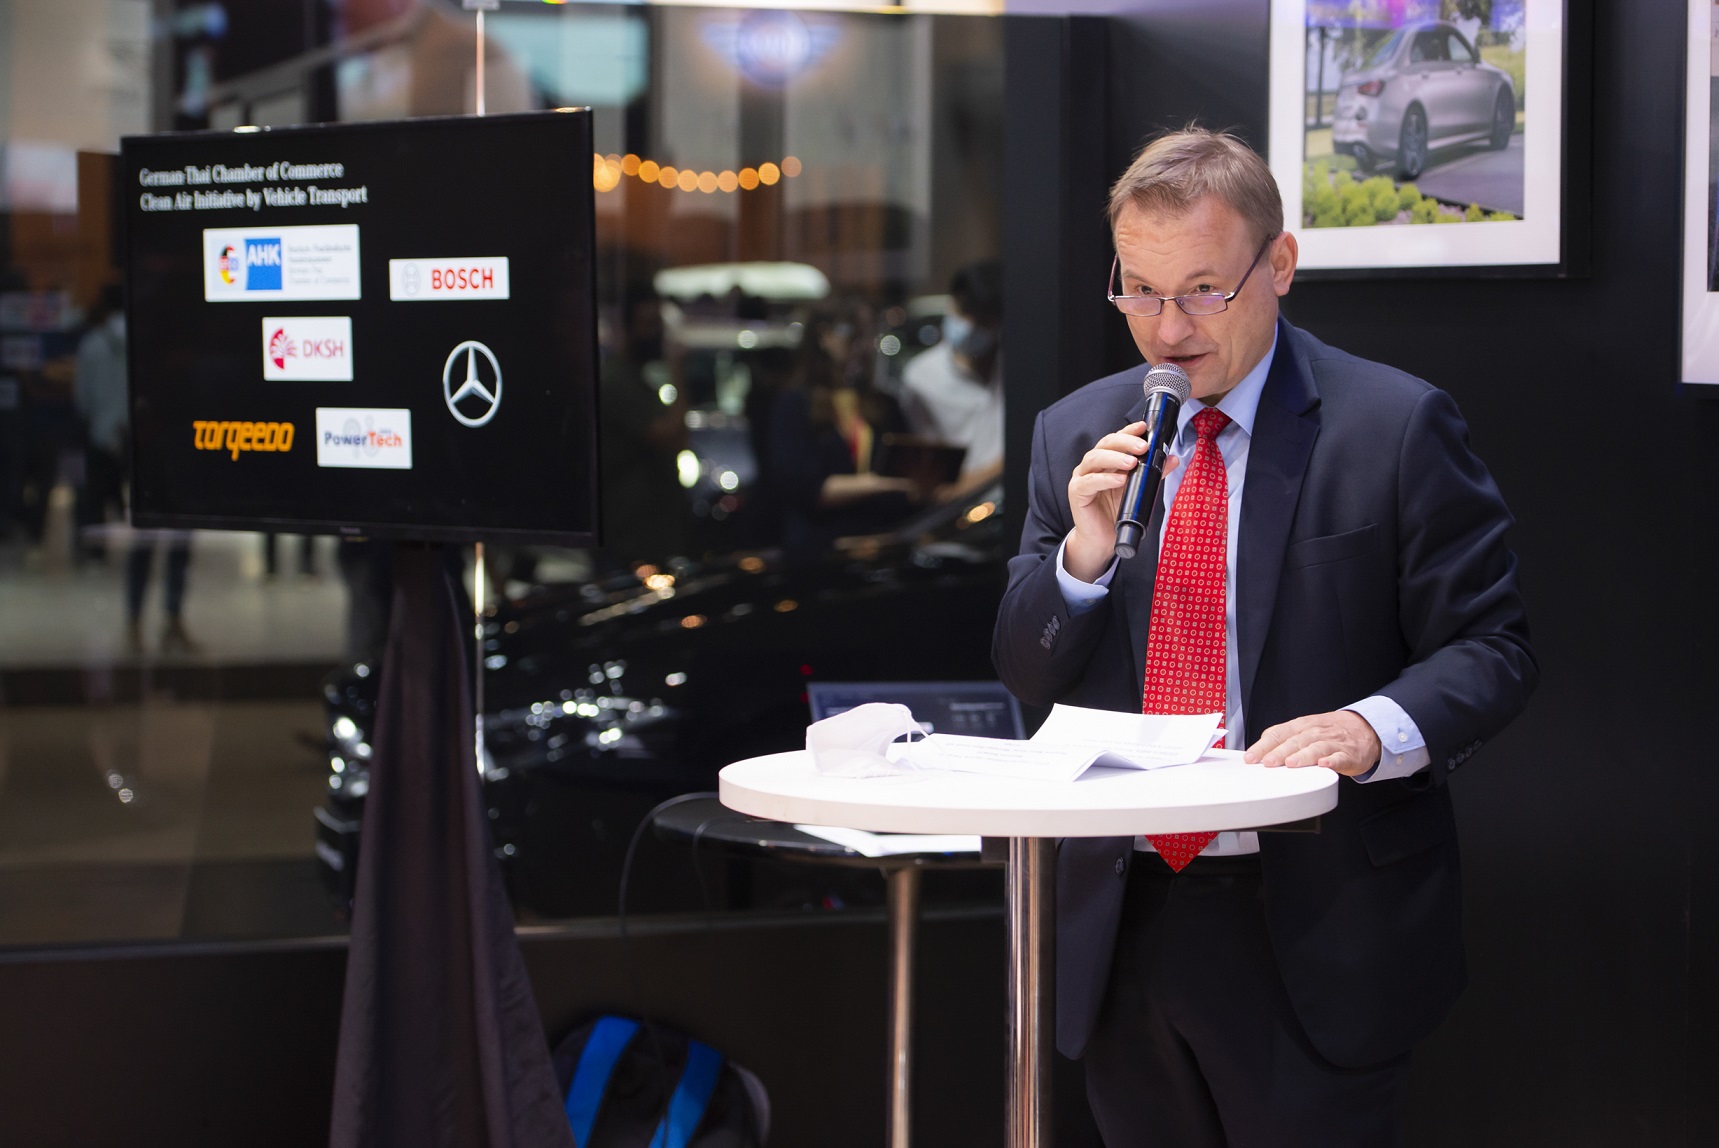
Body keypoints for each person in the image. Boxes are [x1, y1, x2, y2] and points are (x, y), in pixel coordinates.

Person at [991, 128, 1536, 1146]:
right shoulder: (1076, 432)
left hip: (1311, 919)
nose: (1167, 330)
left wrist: (1370, 728)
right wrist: (1083, 555)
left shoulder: (1392, 425)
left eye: (1203, 290)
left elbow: (1492, 647)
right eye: (1140, 292)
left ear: (1278, 265)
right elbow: (1026, 669)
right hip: (1120, 917)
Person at [768, 303, 919, 558]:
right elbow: (802, 487)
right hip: (818, 550)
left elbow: (905, 470)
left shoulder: (884, 404)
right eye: (853, 334)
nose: (864, 346)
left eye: (870, 335)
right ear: (824, 336)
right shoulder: (796, 404)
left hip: (880, 546)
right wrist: (878, 484)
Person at [900, 258, 1004, 486]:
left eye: (982, 321)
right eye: (962, 312)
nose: (969, 326)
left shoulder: (1016, 370)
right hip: (955, 503)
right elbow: (927, 466)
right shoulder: (920, 377)